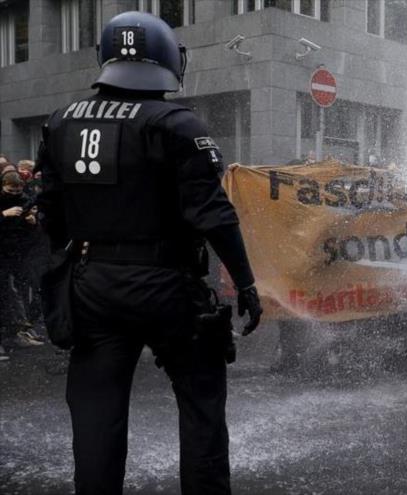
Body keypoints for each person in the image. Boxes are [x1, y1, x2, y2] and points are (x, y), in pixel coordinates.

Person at [36, 12, 263, 494]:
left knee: (96, 417)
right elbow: (215, 216)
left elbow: (51, 212)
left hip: (92, 283)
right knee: (201, 406)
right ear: (166, 59)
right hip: (168, 286)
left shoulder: (61, 123)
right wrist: (244, 281)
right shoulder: (177, 124)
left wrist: (69, 269)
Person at [0, 171, 44, 358]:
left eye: (17, 191)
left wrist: (32, 222)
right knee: (7, 294)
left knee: (21, 291)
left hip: (19, 252)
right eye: (11, 190)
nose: (14, 194)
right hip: (2, 252)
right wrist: (3, 214)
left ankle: (20, 329)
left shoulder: (26, 199)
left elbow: (33, 233)